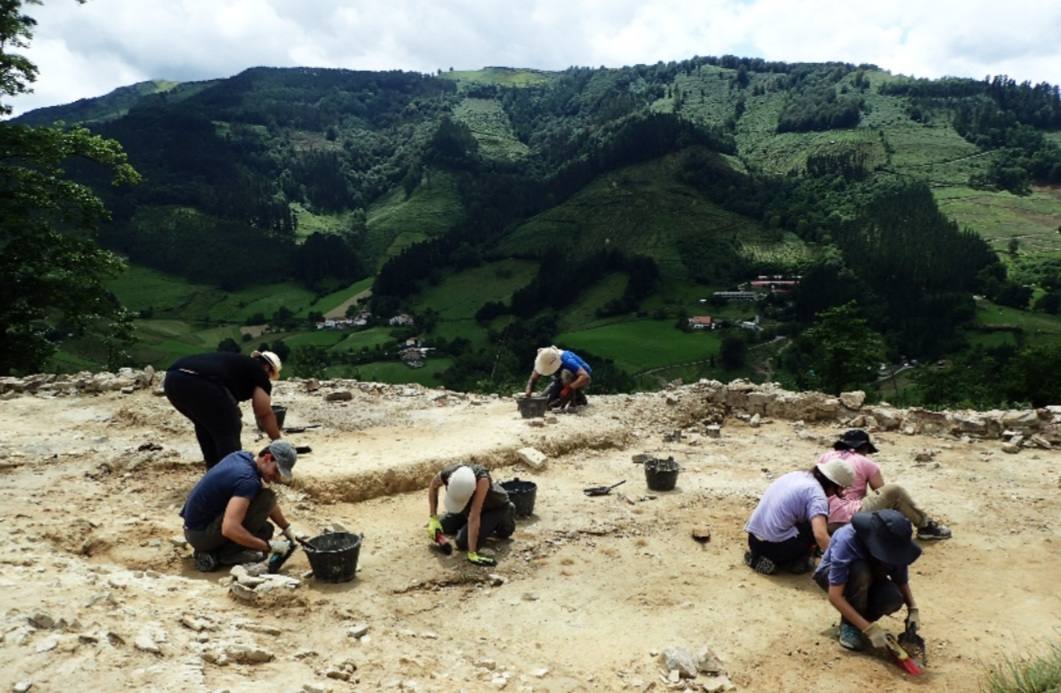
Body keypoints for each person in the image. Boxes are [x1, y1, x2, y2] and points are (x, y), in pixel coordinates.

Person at [180, 441, 301, 571]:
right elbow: (229, 528)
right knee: (267, 498)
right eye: (276, 470)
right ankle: (221, 555)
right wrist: (268, 546)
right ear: (267, 458)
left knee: (265, 530)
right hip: (201, 535)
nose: (276, 477)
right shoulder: (247, 480)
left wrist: (286, 528)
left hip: (195, 529)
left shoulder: (243, 457)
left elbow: (268, 504)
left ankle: (220, 550)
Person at [814, 509, 922, 651]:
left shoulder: (895, 544)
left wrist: (912, 609)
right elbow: (835, 596)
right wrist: (869, 630)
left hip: (871, 578)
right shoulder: (847, 539)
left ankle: (860, 621)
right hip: (834, 577)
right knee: (860, 571)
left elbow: (901, 580)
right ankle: (849, 626)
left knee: (893, 598)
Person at [164, 350, 284, 470]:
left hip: (172, 380)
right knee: (230, 428)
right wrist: (278, 442)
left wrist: (231, 409)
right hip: (201, 383)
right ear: (267, 367)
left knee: (206, 426)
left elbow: (223, 388)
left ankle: (214, 471)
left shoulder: (239, 363)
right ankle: (233, 475)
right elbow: (263, 412)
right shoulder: (260, 372)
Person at [822, 429, 951, 540]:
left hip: (821, 518)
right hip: (846, 520)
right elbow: (881, 491)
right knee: (895, 492)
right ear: (865, 447)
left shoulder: (826, 457)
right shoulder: (866, 463)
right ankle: (926, 526)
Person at [743, 456, 854, 575]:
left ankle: (757, 556)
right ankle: (794, 562)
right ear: (834, 484)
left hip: (753, 540)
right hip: (774, 548)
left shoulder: (797, 475)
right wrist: (841, 560)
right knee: (813, 528)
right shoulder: (817, 496)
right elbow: (820, 536)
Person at [426, 464, 516, 567]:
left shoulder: (482, 480)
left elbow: (474, 515)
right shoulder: (449, 474)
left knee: (463, 543)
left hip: (493, 508)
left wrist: (472, 553)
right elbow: (433, 485)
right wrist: (433, 517)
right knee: (442, 526)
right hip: (467, 506)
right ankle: (470, 525)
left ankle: (507, 513)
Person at [524, 346, 591, 410]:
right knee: (545, 401)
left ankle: (576, 399)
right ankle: (575, 396)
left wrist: (568, 389)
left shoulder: (567, 359)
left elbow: (585, 377)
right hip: (561, 380)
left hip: (580, 380)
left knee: (565, 374)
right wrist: (528, 391)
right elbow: (533, 379)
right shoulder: (544, 359)